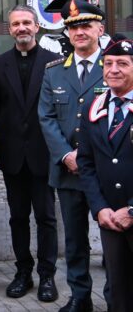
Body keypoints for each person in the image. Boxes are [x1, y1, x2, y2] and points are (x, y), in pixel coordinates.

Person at [0, 5, 60, 302]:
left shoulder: (55, 63)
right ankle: (23, 272)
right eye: (16, 24)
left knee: (46, 218)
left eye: (27, 22)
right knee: (17, 217)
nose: (22, 28)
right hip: (13, 154)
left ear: (37, 26)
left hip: (45, 154)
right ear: (9, 29)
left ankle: (48, 276)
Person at [39, 0, 108, 312]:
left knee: (114, 240)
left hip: (109, 170)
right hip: (69, 171)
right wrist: (66, 154)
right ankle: (80, 297)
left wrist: (93, 156)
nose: (79, 31)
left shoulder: (116, 65)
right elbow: (46, 117)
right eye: (73, 27)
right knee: (75, 241)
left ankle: (117, 295)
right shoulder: (54, 72)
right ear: (66, 33)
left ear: (99, 29)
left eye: (85, 25)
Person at [76, 35, 133, 311]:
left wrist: (131, 210)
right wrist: (99, 208)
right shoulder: (93, 108)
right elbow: (86, 163)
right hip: (109, 217)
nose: (113, 70)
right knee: (118, 291)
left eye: (122, 63)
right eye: (108, 63)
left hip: (130, 213)